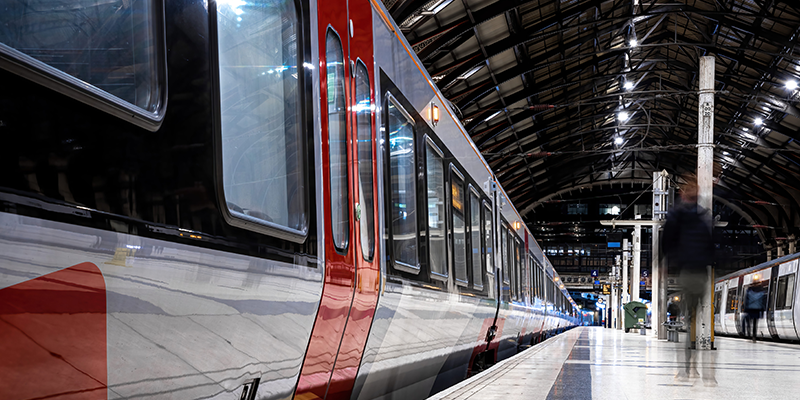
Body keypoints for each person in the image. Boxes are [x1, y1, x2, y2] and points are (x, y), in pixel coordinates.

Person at [662, 181, 715, 384]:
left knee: (690, 319)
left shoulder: (676, 216)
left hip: (689, 271)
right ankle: (701, 369)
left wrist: (665, 264)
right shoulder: (702, 217)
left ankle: (688, 367)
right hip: (701, 272)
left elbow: (667, 242)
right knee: (696, 318)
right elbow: (711, 246)